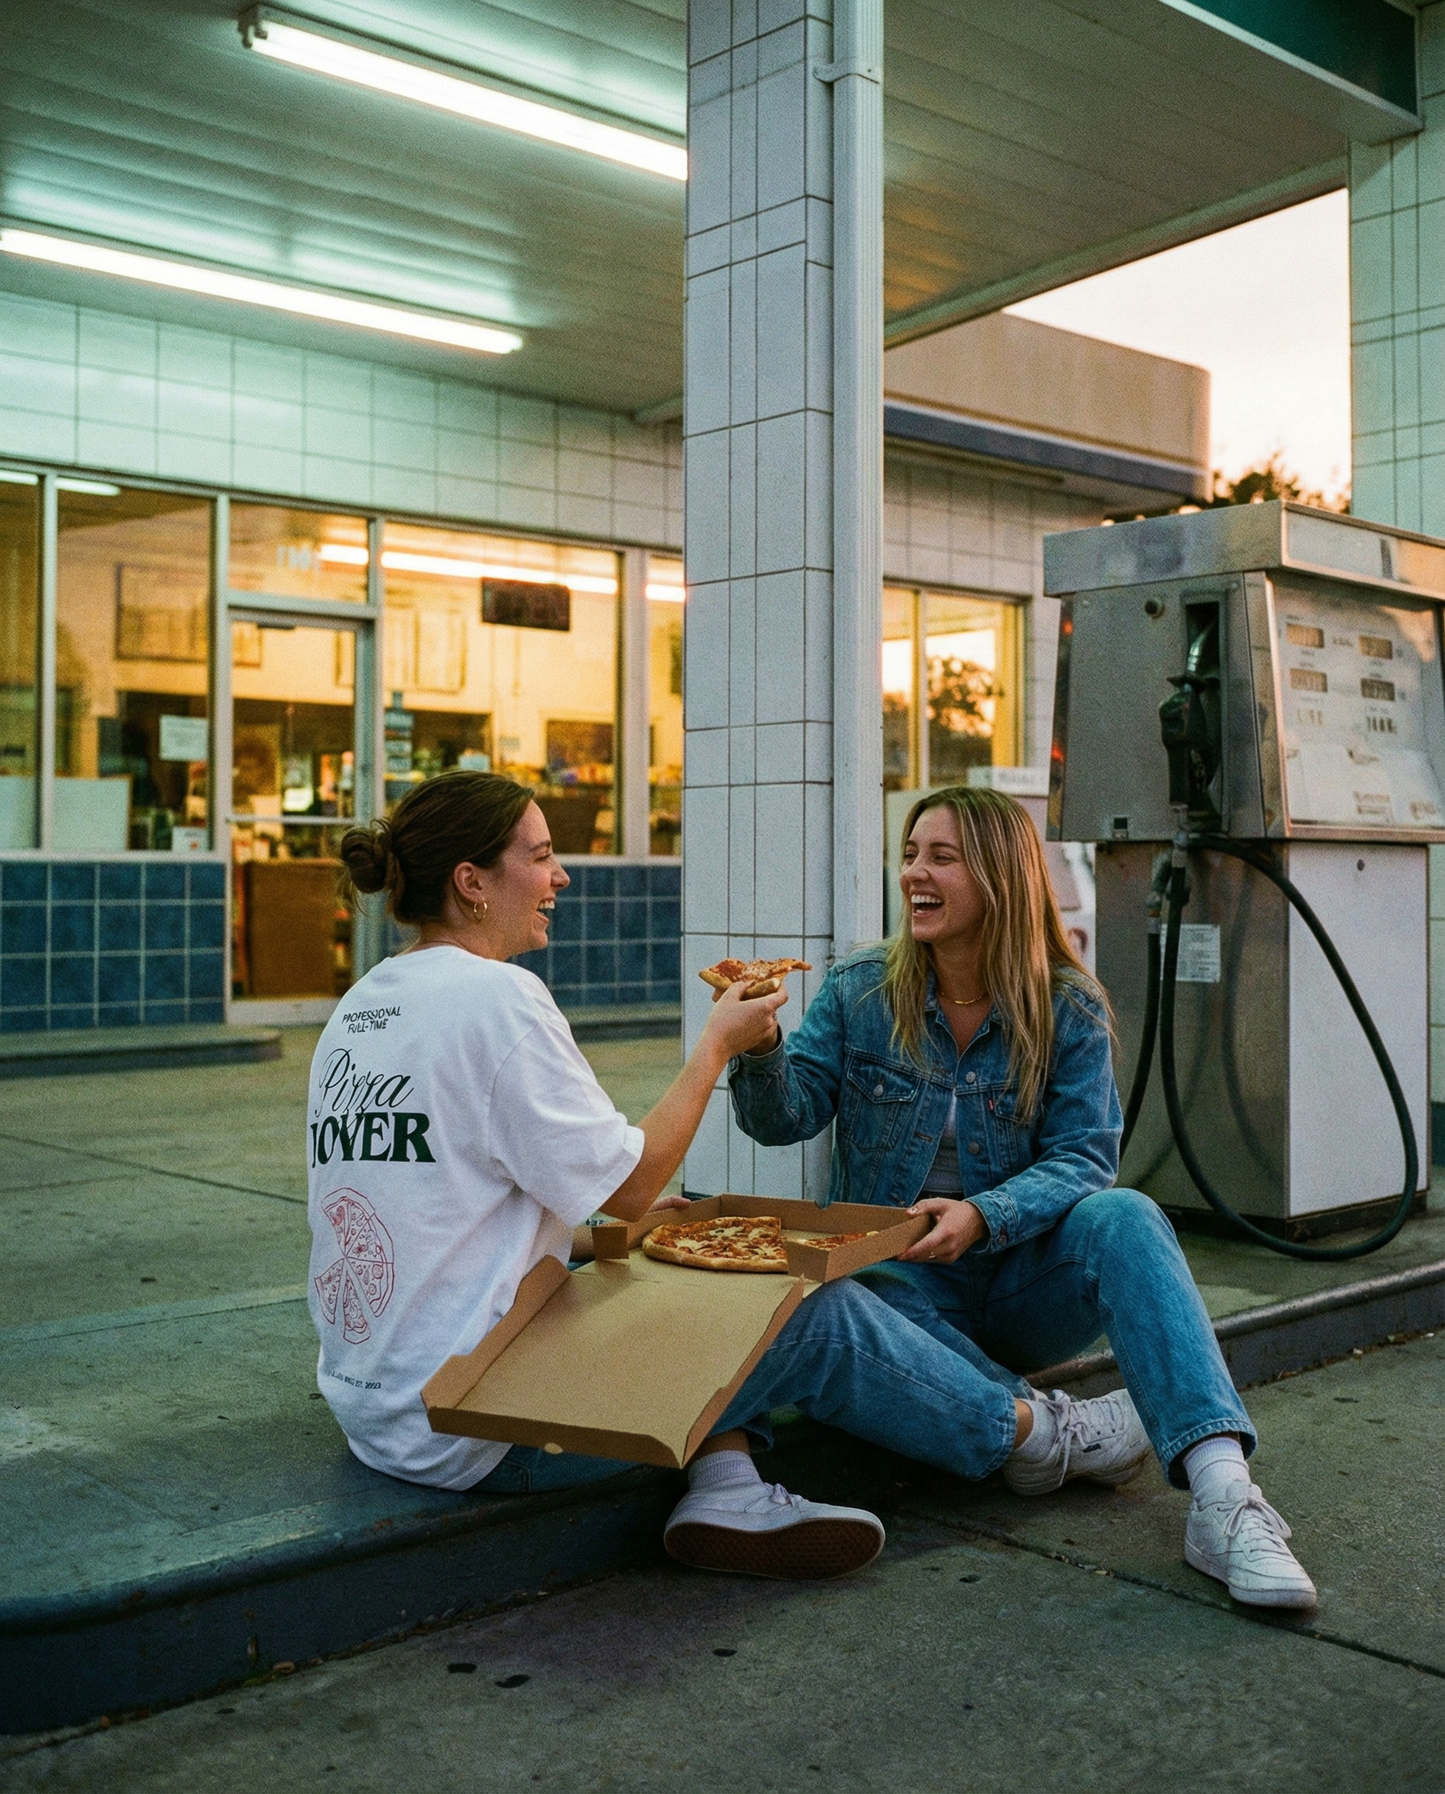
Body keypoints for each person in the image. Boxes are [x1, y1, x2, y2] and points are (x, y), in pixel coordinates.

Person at [308, 772, 1128, 1583]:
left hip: (379, 1412)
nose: (559, 877)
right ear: (471, 882)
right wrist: (715, 1049)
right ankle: (1032, 1438)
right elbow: (628, 1182)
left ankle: (728, 1486)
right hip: (482, 1426)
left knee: (681, 1258)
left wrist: (604, 1237)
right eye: (542, 855)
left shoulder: (361, 1007)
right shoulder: (497, 1000)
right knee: (811, 1313)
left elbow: (455, 1205)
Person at [728, 785, 1316, 1610]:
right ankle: (1049, 1429)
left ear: (1000, 876)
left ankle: (1224, 1498)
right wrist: (757, 1048)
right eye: (907, 855)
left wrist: (983, 1213)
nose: (912, 876)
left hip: (1018, 1280)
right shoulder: (861, 989)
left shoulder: (1065, 1005)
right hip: (902, 1289)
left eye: (940, 857)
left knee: (1125, 1215)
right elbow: (780, 1119)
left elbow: (1085, 1158)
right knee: (854, 1278)